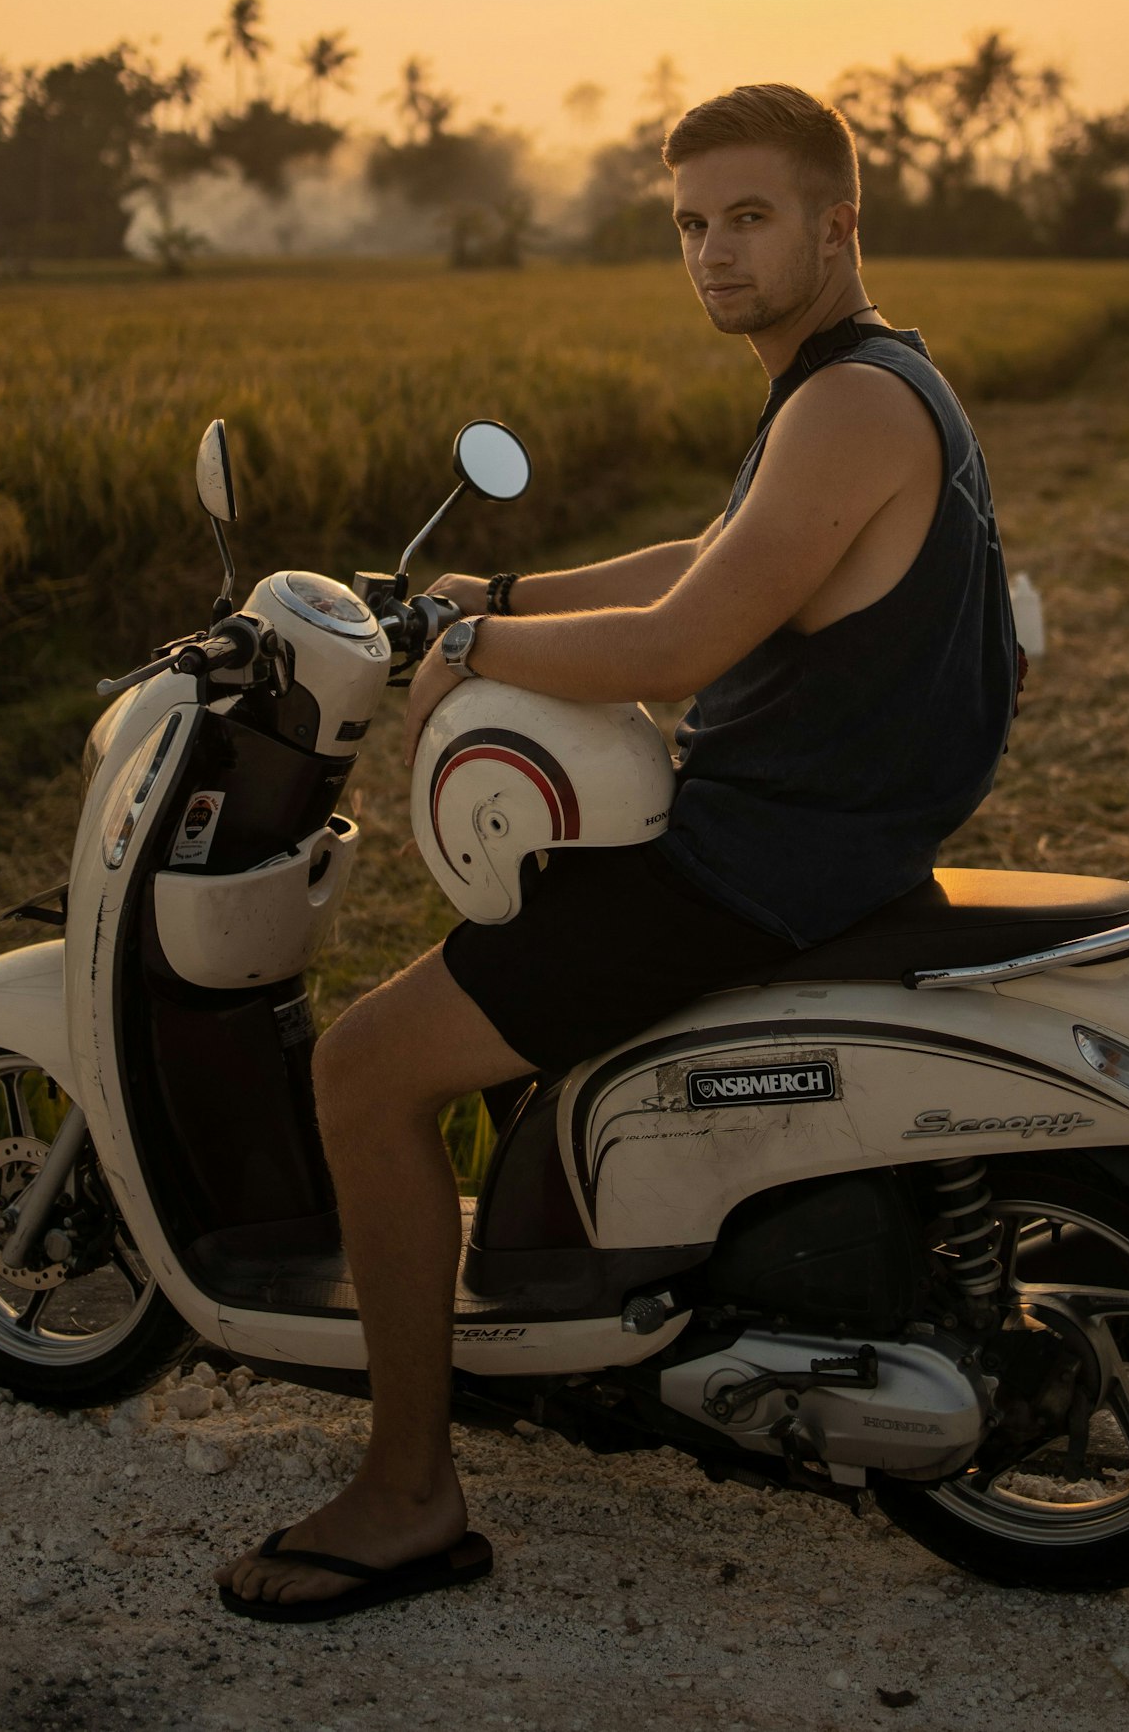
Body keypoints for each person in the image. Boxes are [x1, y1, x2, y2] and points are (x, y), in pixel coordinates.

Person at [219, 81, 1018, 1620]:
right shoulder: (862, 384)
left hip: (756, 863)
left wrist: (482, 652)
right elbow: (725, 560)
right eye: (691, 226)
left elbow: (692, 631)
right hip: (812, 842)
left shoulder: (847, 400)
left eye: (750, 218)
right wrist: (501, 584)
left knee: (365, 1071)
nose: (714, 253)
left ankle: (407, 1495)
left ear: (837, 224)